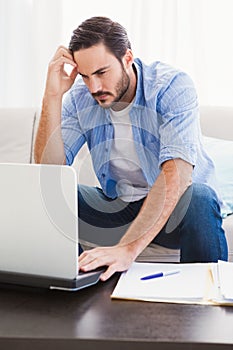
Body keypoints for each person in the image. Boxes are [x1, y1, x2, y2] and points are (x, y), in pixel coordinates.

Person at [34, 16, 228, 281]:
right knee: (50, 195)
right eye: (86, 76)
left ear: (127, 58)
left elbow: (177, 174)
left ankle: (206, 301)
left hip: (177, 212)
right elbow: (49, 171)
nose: (94, 87)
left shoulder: (171, 87)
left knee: (201, 197)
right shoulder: (81, 97)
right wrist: (53, 95)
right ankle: (78, 284)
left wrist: (128, 248)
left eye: (102, 73)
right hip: (119, 208)